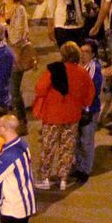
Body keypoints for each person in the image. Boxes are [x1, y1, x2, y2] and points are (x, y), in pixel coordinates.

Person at [30, 41, 95, 190]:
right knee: (67, 147)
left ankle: (45, 178)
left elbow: (40, 89)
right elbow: (89, 96)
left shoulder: (54, 70)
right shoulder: (82, 73)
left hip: (52, 115)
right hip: (72, 116)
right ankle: (63, 179)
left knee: (48, 147)